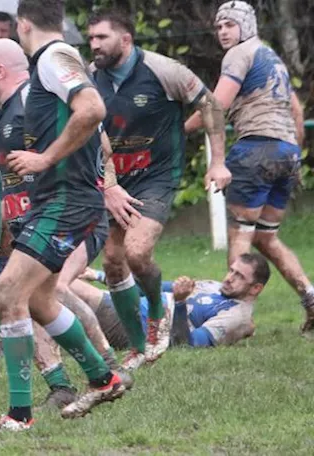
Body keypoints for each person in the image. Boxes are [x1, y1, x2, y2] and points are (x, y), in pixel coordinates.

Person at [0, 1, 127, 430]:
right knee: (37, 299)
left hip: (66, 199)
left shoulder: (53, 59)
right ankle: (103, 377)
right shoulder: (50, 62)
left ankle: (21, 413)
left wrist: (44, 159)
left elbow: (92, 110)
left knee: (5, 292)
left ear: (22, 25)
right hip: (56, 200)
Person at [86, 10, 230, 370]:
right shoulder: (89, 78)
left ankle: (157, 317)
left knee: (137, 252)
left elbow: (211, 105)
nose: (94, 45)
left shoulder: (166, 72)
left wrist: (218, 162)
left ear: (126, 39)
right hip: (112, 180)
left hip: (156, 176)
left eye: (102, 37)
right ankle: (137, 341)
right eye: (91, 38)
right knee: (112, 262)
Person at [185, 1, 313, 334]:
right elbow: (296, 110)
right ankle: (310, 296)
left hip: (255, 149)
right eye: (219, 26)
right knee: (267, 239)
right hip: (286, 151)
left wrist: (177, 129)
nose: (223, 31)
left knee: (240, 234)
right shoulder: (272, 57)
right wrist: (293, 152)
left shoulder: (239, 54)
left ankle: (235, 319)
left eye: (230, 24)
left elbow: (217, 105)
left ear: (246, 26)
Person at [71, 253, 267, 349]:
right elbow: (155, 289)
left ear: (256, 288)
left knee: (59, 286)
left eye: (239, 276)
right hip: (133, 307)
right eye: (231, 270)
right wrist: (97, 275)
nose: (229, 278)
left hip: (138, 324)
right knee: (61, 284)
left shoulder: (236, 316)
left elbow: (187, 346)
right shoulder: (217, 286)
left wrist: (180, 304)